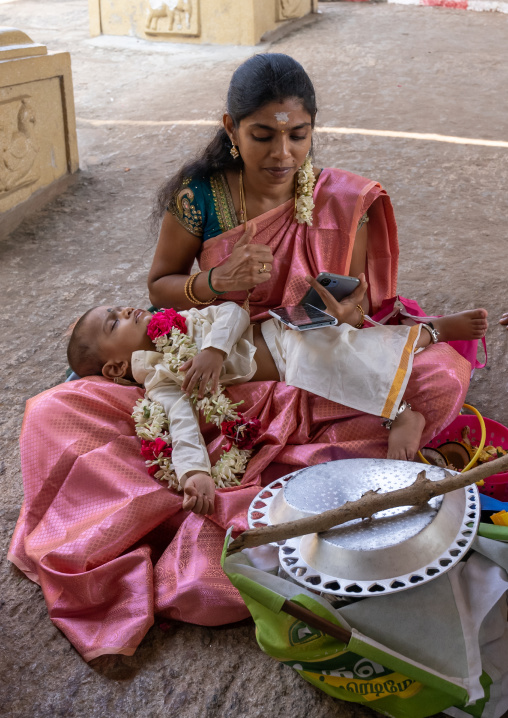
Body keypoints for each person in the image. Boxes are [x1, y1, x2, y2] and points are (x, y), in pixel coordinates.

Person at [9, 53, 478, 661]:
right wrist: (215, 284)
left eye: (298, 135)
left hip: (305, 363)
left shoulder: (343, 199)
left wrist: (349, 309)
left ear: (313, 128)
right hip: (209, 359)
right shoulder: (197, 194)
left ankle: (369, 430)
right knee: (54, 411)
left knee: (438, 374)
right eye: (262, 135)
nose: (283, 153)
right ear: (230, 128)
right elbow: (161, 286)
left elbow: (355, 311)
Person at [66, 295, 487, 516]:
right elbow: (182, 428)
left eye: (116, 307)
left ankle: (422, 358)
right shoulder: (160, 379)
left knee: (348, 349)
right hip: (288, 375)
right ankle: (418, 357)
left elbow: (232, 312)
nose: (126, 310)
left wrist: (213, 349)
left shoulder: (181, 322)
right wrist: (195, 474)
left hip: (281, 335)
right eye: (114, 322)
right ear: (117, 367)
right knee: (351, 358)